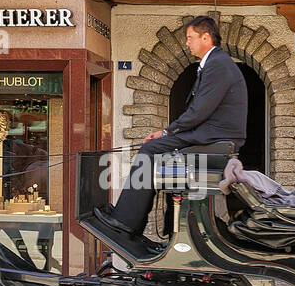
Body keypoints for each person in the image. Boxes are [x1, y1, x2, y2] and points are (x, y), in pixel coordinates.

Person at [97, 15, 247, 248]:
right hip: (214, 135)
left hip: (214, 137)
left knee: (149, 149)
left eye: (190, 38)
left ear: (206, 37)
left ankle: (126, 220)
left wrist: (168, 132)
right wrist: (168, 132)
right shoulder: (216, 63)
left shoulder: (217, 64)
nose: (187, 43)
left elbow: (199, 111)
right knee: (153, 149)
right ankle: (134, 218)